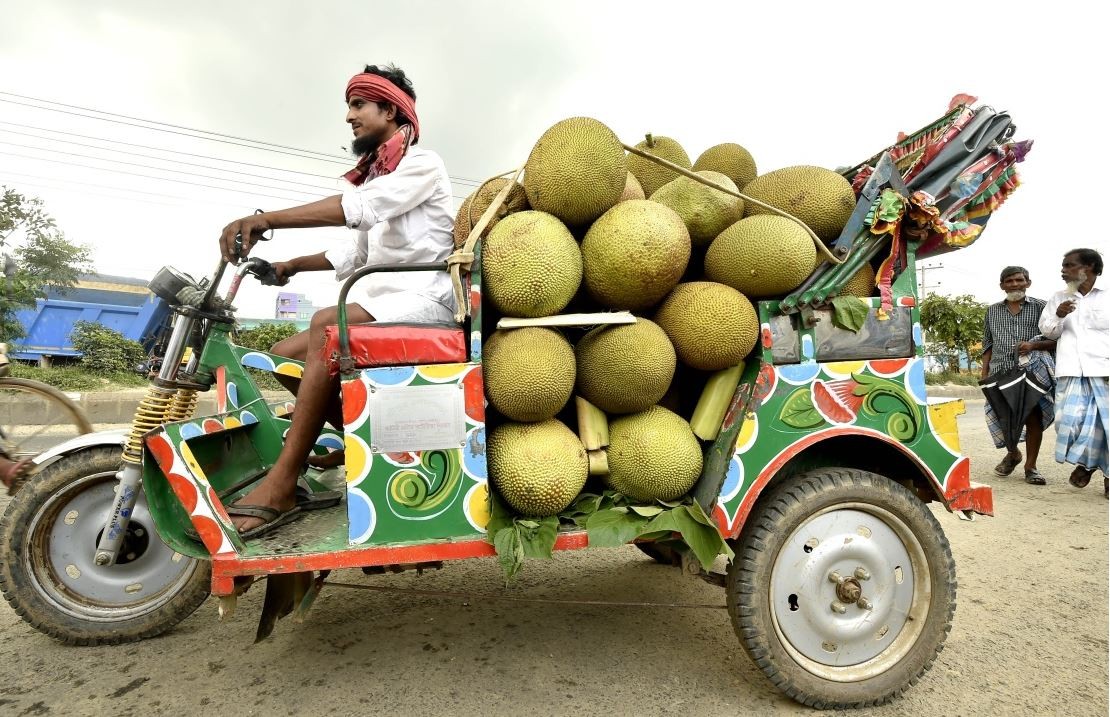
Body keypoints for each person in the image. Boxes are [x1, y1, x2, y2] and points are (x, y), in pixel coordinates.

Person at [217, 64, 455, 537]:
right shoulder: (374, 177)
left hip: (427, 300)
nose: (350, 116)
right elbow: (354, 251)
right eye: (349, 106)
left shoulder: (422, 165)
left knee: (328, 324)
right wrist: (288, 266)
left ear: (390, 109)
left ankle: (282, 483)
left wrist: (267, 220)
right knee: (277, 357)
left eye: (358, 105)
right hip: (385, 301)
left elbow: (358, 211)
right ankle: (355, 438)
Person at [1038, 248, 1109, 496]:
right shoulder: (1058, 298)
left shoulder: (1107, 297)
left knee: (1107, 427)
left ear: (1088, 268)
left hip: (1104, 370)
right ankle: (1088, 463)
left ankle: (1107, 474)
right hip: (1069, 370)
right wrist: (1058, 315)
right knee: (1069, 424)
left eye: (1069, 265)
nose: (1063, 270)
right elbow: (1048, 332)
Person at [980, 265, 1056, 484]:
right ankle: (1013, 454)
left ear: (1028, 283)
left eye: (1019, 280)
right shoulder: (992, 310)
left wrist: (1033, 346)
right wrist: (984, 373)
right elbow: (988, 342)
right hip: (1000, 371)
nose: (1014, 284)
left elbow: (1056, 340)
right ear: (1002, 286)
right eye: (1009, 281)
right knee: (1005, 417)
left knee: (1033, 418)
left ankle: (1031, 467)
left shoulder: (1043, 307)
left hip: (1033, 371)